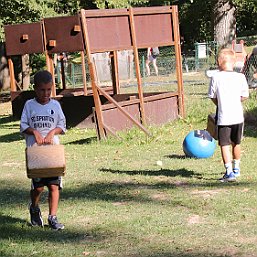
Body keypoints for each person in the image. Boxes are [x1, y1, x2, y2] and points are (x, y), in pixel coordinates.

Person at [20, 70, 66, 230]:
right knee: (38, 187)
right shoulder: (29, 105)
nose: (46, 93)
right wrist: (35, 132)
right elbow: (23, 125)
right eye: (42, 90)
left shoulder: (55, 105)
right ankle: (34, 207)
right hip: (36, 154)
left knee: (54, 186)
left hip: (53, 154)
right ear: (35, 88)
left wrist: (53, 132)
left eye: (49, 90)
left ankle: (52, 217)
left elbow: (62, 125)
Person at [208, 48, 249, 182]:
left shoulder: (215, 77)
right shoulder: (240, 77)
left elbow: (212, 96)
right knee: (236, 142)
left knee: (224, 144)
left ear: (219, 62)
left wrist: (220, 104)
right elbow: (244, 96)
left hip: (224, 117)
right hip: (238, 117)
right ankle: (237, 168)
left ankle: (229, 172)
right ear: (234, 62)